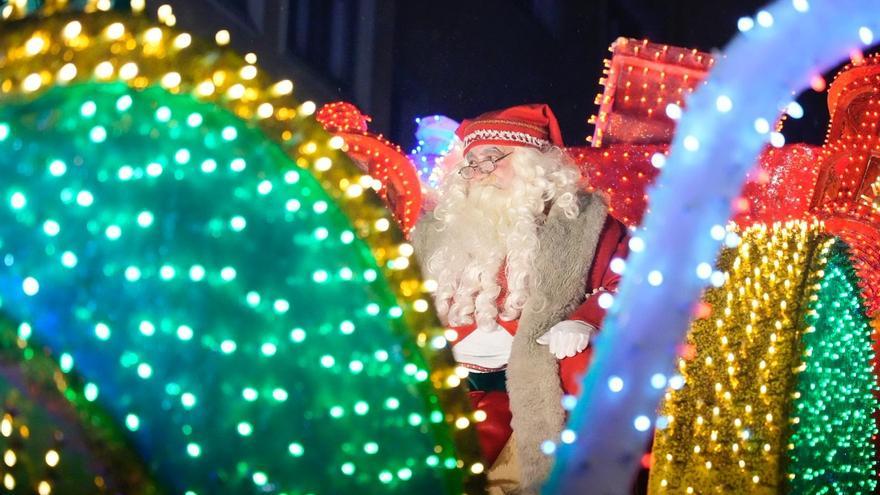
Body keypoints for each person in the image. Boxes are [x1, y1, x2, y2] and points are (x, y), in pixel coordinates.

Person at [412, 104, 629, 493]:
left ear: (535, 165)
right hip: (446, 379)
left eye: (493, 158)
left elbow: (627, 283)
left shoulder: (585, 225)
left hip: (529, 379)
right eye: (472, 162)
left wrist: (585, 319)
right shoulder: (434, 231)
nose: (479, 172)